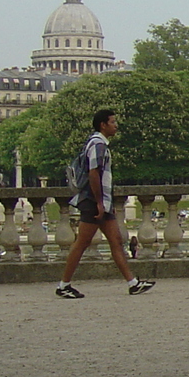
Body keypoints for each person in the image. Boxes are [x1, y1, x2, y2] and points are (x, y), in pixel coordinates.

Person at [56, 109, 155, 298]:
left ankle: (133, 283)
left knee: (115, 241)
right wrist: (100, 202)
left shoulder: (97, 144)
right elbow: (94, 173)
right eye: (113, 122)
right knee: (82, 243)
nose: (116, 125)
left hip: (99, 200)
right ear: (103, 125)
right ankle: (63, 286)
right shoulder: (98, 145)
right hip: (94, 201)